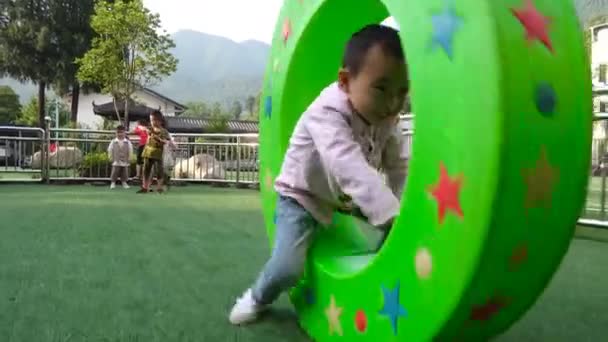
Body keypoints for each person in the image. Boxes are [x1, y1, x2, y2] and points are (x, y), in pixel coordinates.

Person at [229, 24, 409, 325]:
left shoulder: (387, 116)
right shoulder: (326, 112)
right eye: (381, 88)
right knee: (289, 268)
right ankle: (258, 296)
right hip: (300, 196)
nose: (392, 103)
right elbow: (346, 164)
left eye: (402, 92)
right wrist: (390, 211)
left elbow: (399, 166)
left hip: (341, 198)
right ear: (345, 81)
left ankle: (381, 274)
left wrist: (403, 211)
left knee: (396, 224)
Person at [138, 110, 170, 194]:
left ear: (160, 120)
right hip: (148, 152)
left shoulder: (164, 131)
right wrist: (146, 130)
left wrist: (160, 139)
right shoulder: (149, 129)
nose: (153, 122)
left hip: (158, 153)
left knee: (159, 170)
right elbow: (142, 128)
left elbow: (166, 141)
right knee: (146, 170)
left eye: (155, 120)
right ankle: (145, 187)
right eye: (151, 120)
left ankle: (159, 188)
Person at [107, 125, 133, 189]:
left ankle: (124, 182)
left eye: (121, 132)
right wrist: (110, 157)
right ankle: (113, 182)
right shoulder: (113, 142)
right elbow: (110, 150)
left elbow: (130, 150)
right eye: (118, 132)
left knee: (125, 171)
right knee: (115, 171)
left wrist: (130, 158)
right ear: (116, 133)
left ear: (124, 133)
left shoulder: (128, 142)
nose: (120, 134)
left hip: (125, 159)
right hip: (116, 159)